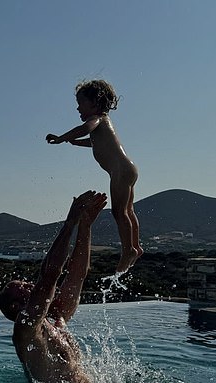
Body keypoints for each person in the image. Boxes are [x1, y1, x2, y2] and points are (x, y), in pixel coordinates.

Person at [0, 190, 107, 383]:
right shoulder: (26, 328)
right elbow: (50, 275)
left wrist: (85, 226)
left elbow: (77, 275)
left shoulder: (55, 319)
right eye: (22, 285)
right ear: (15, 306)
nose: (29, 284)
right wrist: (70, 223)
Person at [46, 80, 142, 272]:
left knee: (119, 212)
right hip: (128, 169)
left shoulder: (98, 119)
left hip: (120, 172)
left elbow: (86, 128)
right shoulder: (104, 125)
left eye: (81, 103)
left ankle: (128, 250)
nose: (77, 107)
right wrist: (76, 143)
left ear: (96, 103)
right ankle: (136, 247)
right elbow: (94, 142)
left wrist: (61, 138)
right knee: (128, 210)